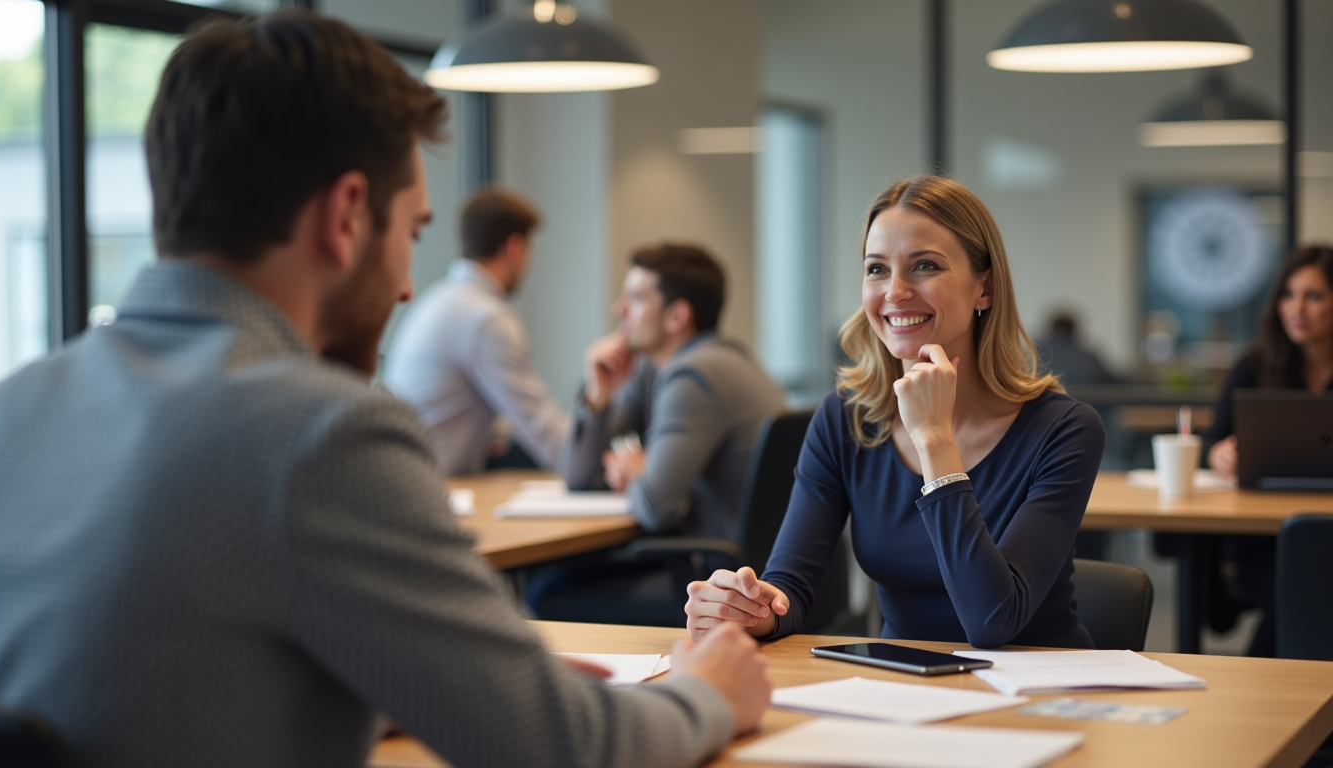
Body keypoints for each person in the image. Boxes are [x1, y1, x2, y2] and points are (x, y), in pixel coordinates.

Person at [0, 13, 772, 768]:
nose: (407, 289)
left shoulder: (10, 411)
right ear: (347, 215)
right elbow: (567, 747)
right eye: (413, 234)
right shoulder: (318, 431)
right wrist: (707, 691)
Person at [684, 175, 1105, 649]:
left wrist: (935, 440)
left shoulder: (1063, 429)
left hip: (1036, 694)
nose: (896, 291)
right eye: (877, 269)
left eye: (925, 265)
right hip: (901, 692)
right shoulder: (844, 419)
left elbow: (993, 620)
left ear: (983, 289)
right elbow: (792, 589)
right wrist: (750, 608)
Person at [529, 244, 784, 625]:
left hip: (728, 583)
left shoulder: (694, 376)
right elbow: (578, 477)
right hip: (741, 573)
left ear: (677, 315)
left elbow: (653, 506)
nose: (619, 309)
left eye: (635, 298)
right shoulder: (662, 369)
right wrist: (597, 397)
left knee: (546, 590)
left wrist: (636, 472)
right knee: (554, 580)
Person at [1198, 244, 1333, 657]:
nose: (1297, 308)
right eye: (1288, 295)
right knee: (1302, 588)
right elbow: (1211, 444)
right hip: (1266, 538)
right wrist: (1220, 454)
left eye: (1313, 296)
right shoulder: (1253, 368)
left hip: (1327, 531)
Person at [384, 188, 569, 476]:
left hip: (409, 475)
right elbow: (546, 436)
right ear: (514, 248)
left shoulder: (439, 300)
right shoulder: (487, 319)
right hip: (432, 487)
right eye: (529, 252)